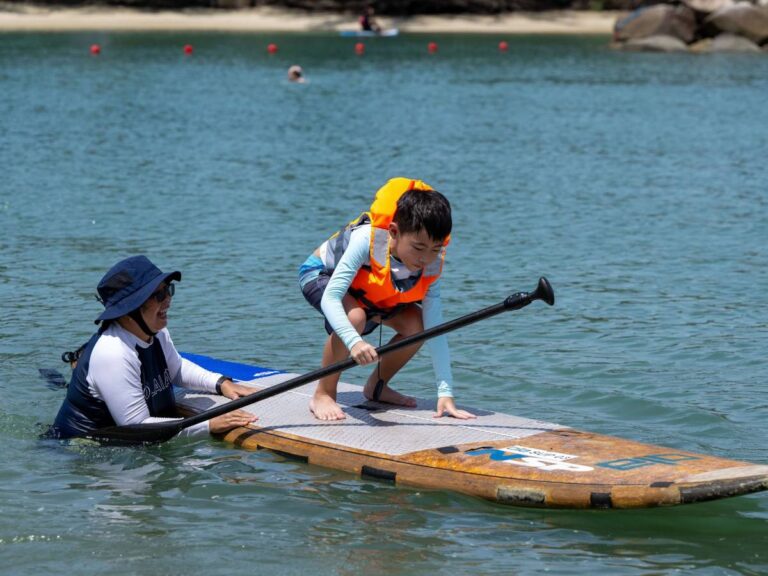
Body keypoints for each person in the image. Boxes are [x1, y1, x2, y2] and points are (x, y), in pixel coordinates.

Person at [298, 177, 476, 421]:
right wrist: (355, 342)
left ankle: (377, 387)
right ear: (393, 231)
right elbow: (331, 298)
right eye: (418, 247)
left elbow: (436, 329)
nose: (426, 258)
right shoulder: (366, 240)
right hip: (321, 276)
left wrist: (445, 392)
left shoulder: (432, 263)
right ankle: (324, 393)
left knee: (417, 326)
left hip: (370, 293)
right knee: (355, 317)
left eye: (436, 249)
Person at [50, 255, 258, 440]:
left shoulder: (156, 332)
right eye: (158, 295)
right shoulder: (113, 353)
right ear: (129, 310)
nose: (167, 299)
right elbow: (137, 428)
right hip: (79, 452)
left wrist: (220, 383)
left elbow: (175, 369)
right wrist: (209, 426)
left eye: (167, 290)